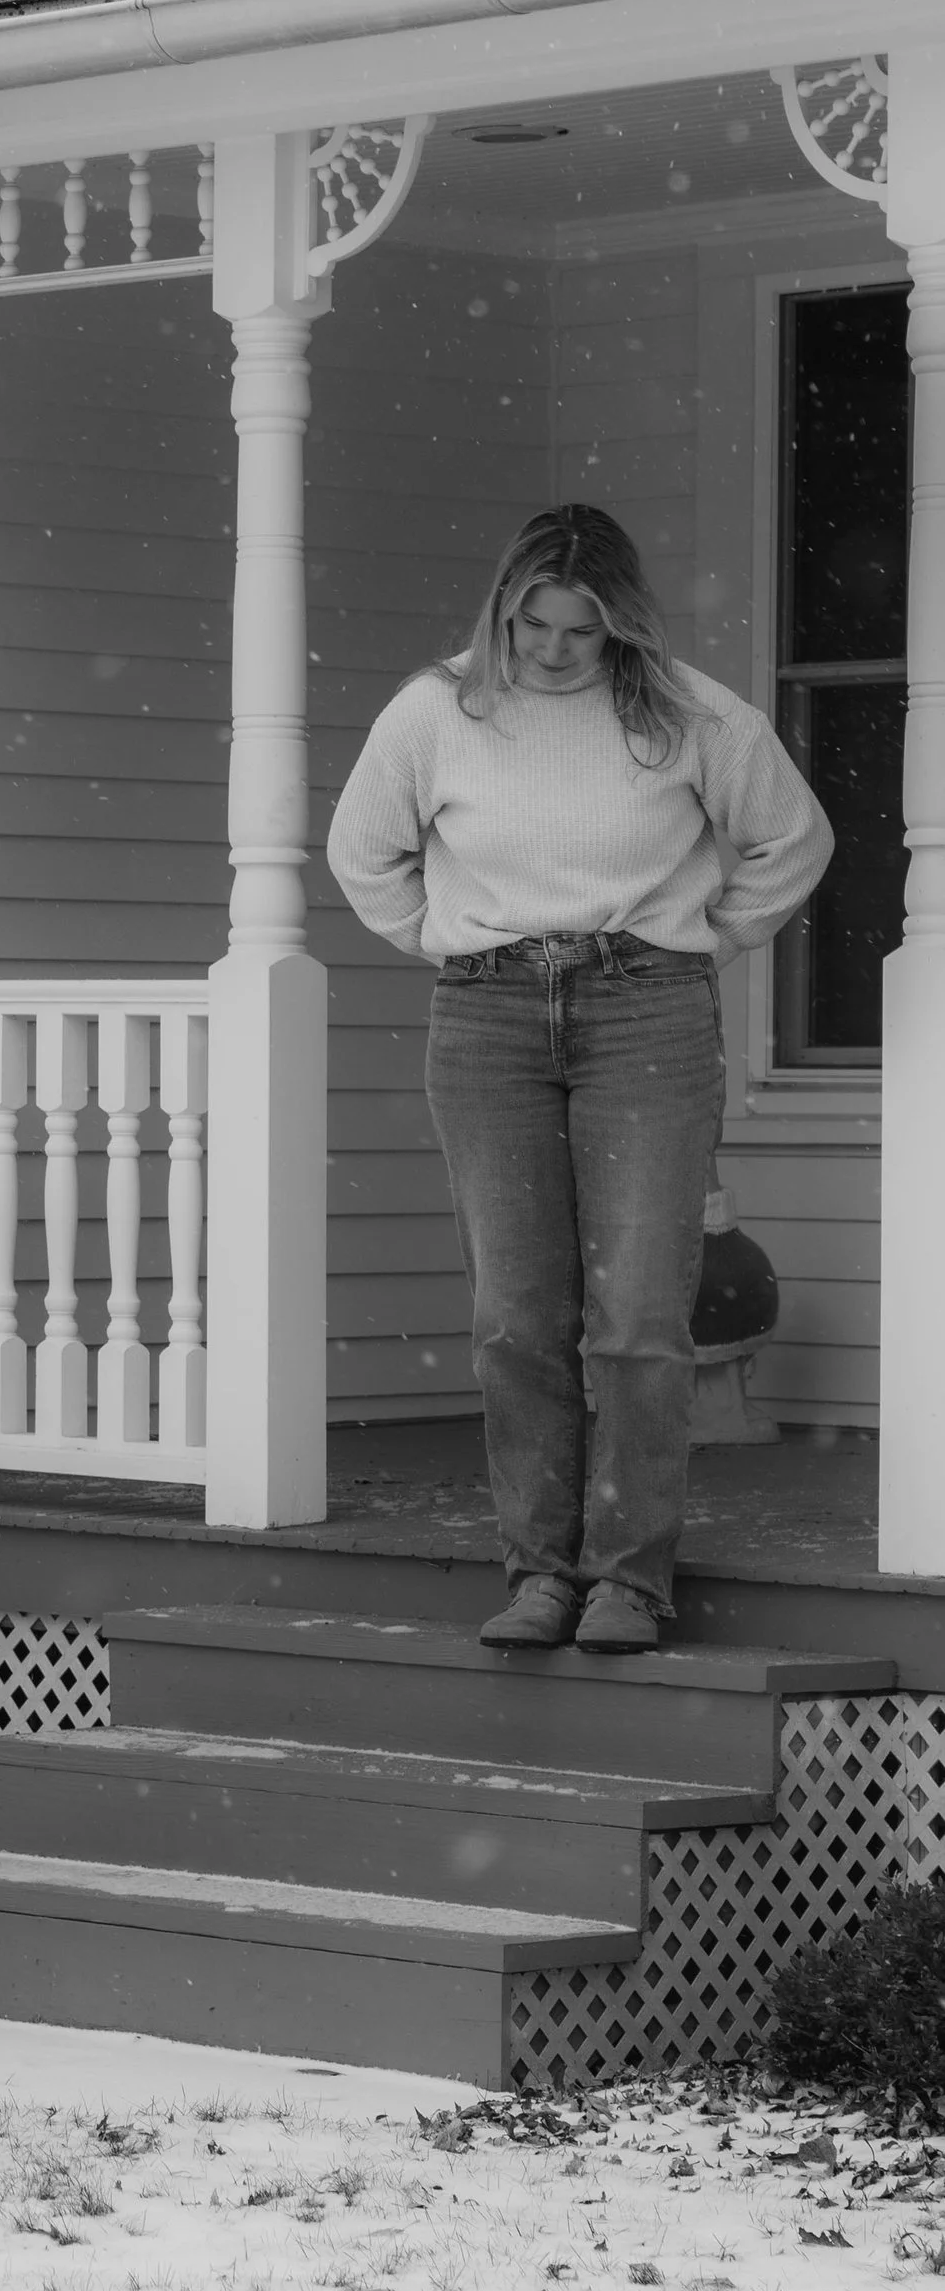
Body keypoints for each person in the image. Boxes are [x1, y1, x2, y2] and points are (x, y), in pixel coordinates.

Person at [327, 506, 830, 1659]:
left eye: (579, 628)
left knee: (640, 1315)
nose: (552, 650)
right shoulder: (437, 708)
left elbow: (791, 837)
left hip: (643, 1010)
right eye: (531, 623)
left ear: (619, 621)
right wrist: (453, 939)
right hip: (487, 1018)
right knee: (515, 1314)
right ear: (503, 608)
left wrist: (709, 934)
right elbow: (362, 851)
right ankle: (540, 1570)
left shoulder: (689, 712)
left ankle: (628, 1580)